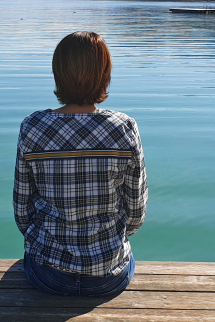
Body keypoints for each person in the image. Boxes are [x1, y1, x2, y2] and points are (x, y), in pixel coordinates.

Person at [13, 31, 147, 297]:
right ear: (104, 75)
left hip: (49, 276)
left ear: (58, 73)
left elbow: (22, 212)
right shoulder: (124, 128)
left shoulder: (33, 127)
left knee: (26, 260)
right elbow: (135, 214)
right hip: (107, 277)